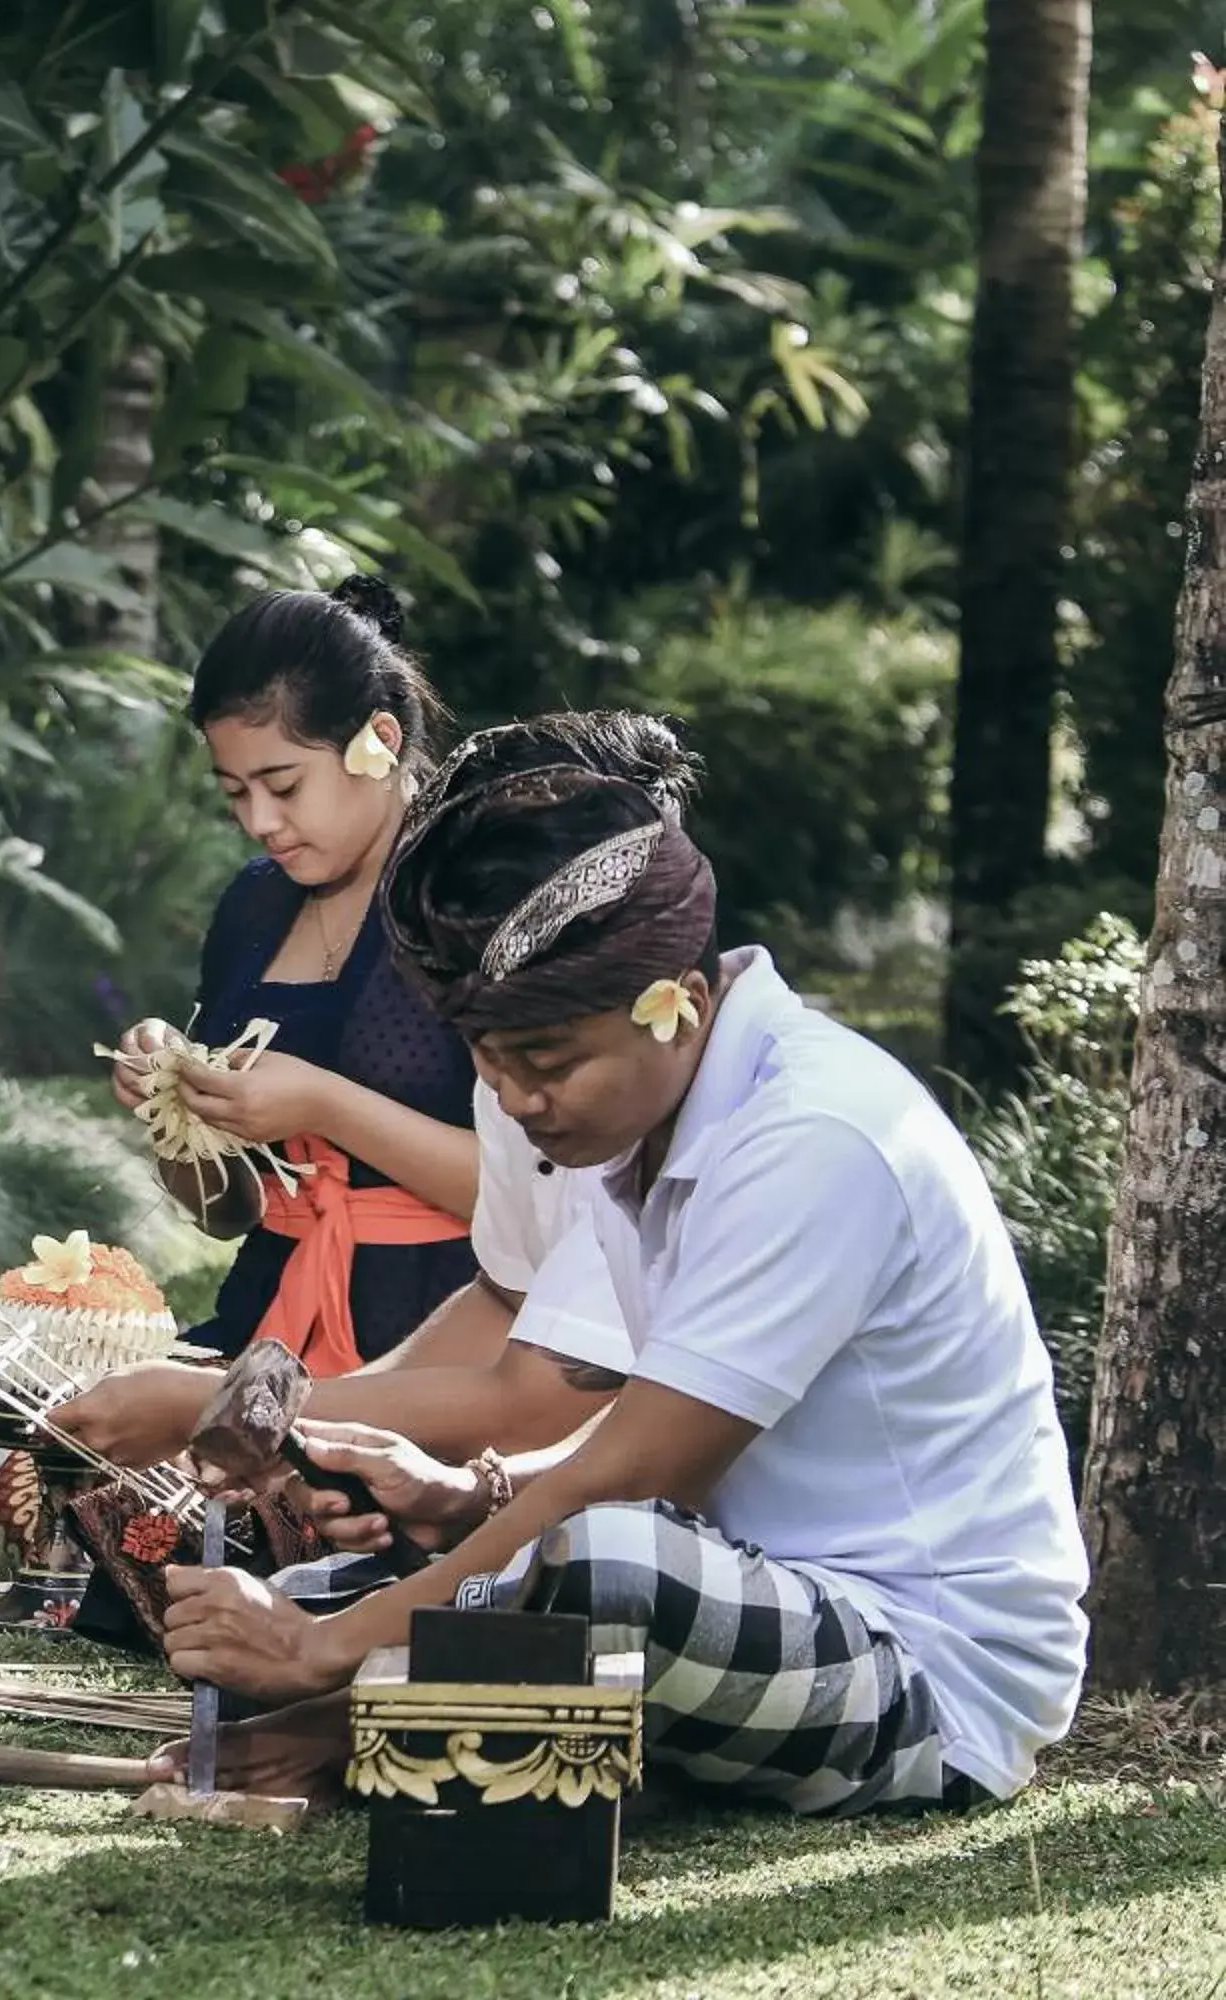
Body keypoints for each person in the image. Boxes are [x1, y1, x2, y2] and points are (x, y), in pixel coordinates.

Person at [154, 729, 1090, 1814]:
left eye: (545, 1062)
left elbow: (637, 1476)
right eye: (490, 1062)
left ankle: (380, 1715)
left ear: (680, 1001)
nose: (515, 1099)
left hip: (923, 1673)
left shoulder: (817, 1136)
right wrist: (466, 1497)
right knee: (355, 1572)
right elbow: (623, 1440)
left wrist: (328, 1656)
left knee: (602, 1564)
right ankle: (403, 1713)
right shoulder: (624, 1125)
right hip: (739, 1583)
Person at [58, 714, 700, 1478]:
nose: (512, 1092)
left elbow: (532, 1412)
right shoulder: (529, 1067)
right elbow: (499, 1301)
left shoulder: (756, 1134)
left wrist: (216, 1406)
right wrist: (282, 1436)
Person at [108, 580, 479, 1380]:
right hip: (263, 1327)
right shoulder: (255, 905)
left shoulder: (470, 899)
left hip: (439, 1350)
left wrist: (321, 1103)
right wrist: (176, 1102)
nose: (260, 823)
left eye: (283, 786)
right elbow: (228, 1211)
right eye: (235, 792)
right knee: (58, 1485)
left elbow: (540, 1197)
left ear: (378, 741)